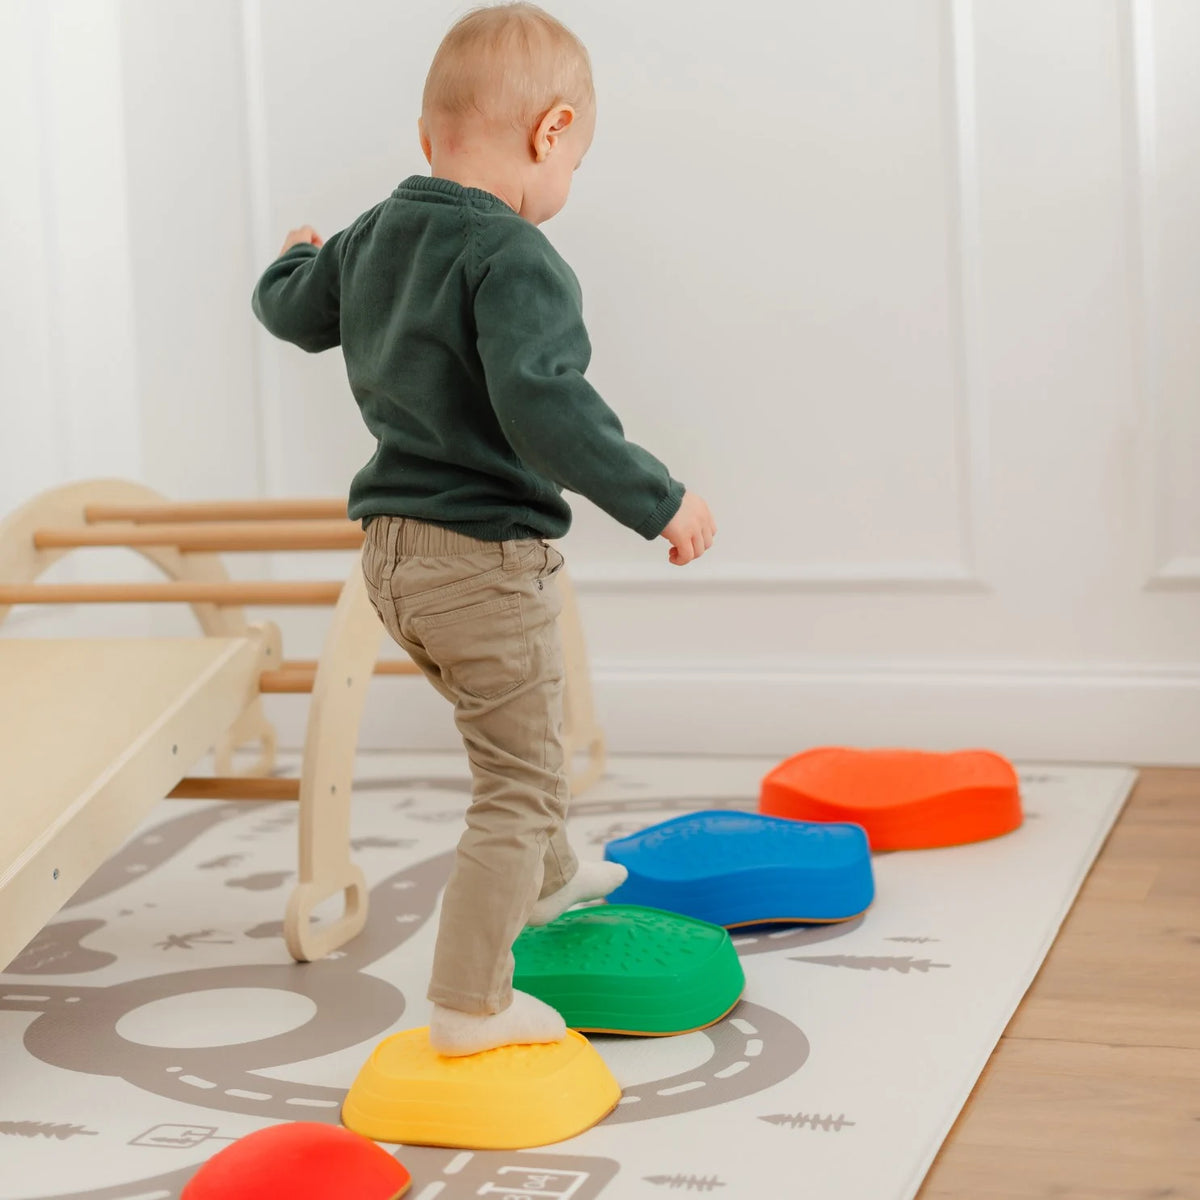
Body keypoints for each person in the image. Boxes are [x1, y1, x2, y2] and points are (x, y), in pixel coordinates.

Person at [252, 2, 716, 1056]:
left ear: (429, 138)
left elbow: (290, 311)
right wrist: (659, 498)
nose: (566, 189)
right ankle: (470, 1004)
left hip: (391, 565)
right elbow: (546, 405)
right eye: (576, 163)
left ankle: (549, 882)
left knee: (516, 737)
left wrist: (291, 257)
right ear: (551, 133)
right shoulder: (515, 256)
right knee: (518, 779)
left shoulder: (371, 235)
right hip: (481, 557)